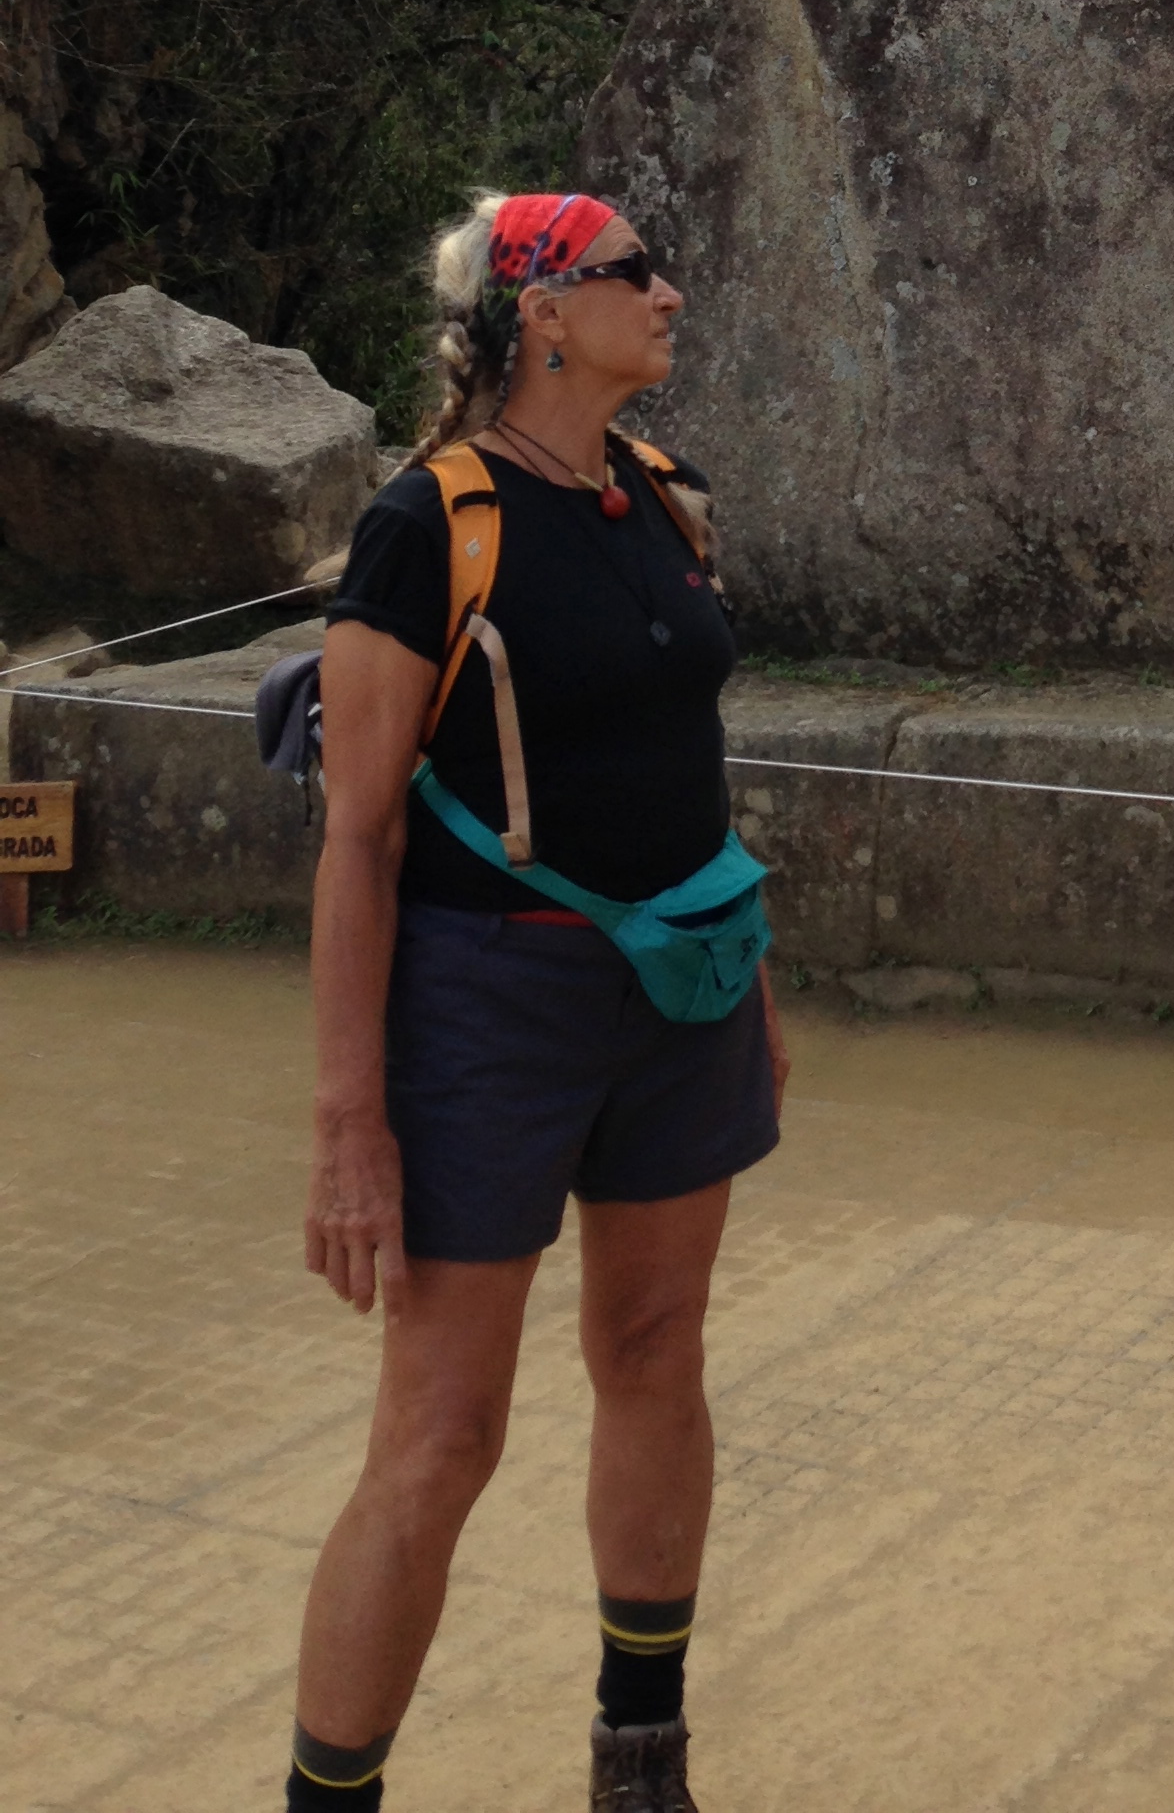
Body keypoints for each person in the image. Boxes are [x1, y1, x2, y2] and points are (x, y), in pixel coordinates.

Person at [285, 188, 787, 1813]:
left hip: (681, 992)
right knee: (444, 1434)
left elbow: (679, 771)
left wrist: (747, 985)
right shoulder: (429, 525)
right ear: (544, 313)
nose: (675, 294)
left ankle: (639, 1762)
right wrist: (350, 1123)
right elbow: (357, 841)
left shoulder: (658, 495)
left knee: (657, 1349)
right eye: (638, 272)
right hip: (488, 1002)